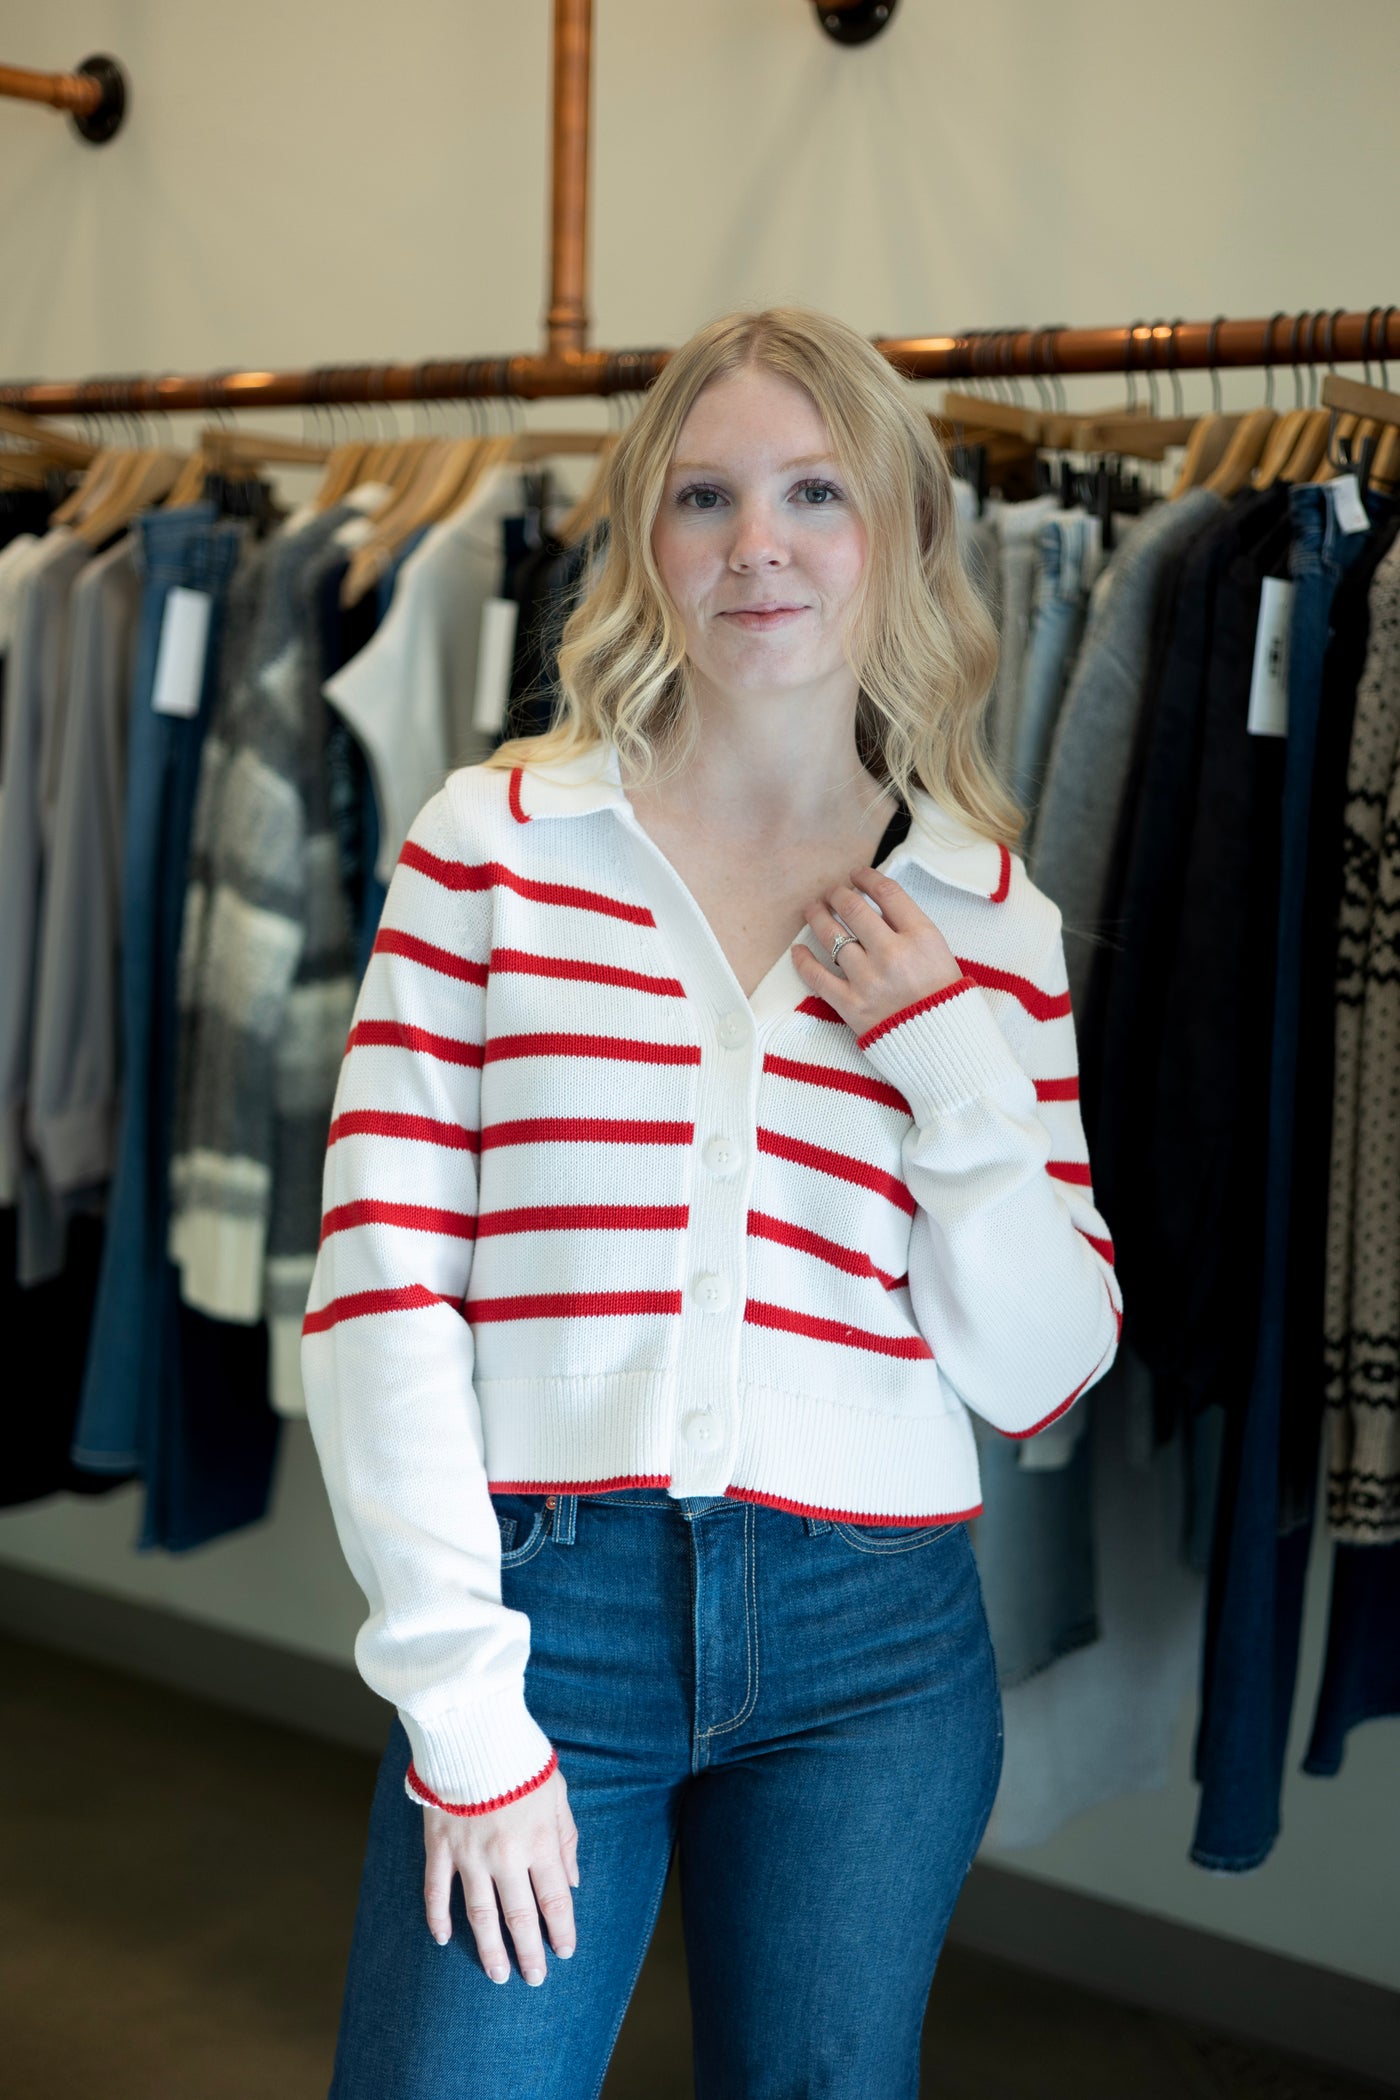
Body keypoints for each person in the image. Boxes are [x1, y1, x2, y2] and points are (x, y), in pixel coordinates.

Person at [302, 304, 1122, 2099]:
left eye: (816, 492)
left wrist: (949, 1064)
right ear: (644, 541)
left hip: (876, 1644)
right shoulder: (493, 849)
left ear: (898, 532)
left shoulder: (986, 918)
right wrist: (463, 1705)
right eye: (705, 498)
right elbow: (378, 1293)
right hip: (540, 1623)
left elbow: (1046, 1374)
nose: (758, 546)